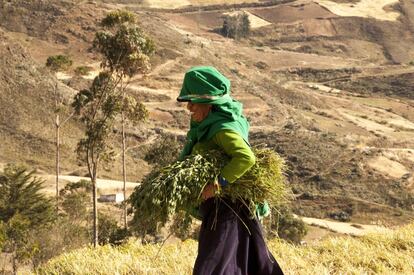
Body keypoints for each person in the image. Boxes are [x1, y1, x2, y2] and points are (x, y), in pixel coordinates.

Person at [177, 66, 284, 275]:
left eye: (193, 102)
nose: (189, 107)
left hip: (228, 208)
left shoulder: (223, 128)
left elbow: (245, 158)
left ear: (209, 103)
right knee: (249, 260)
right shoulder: (210, 124)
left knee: (212, 265)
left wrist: (216, 185)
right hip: (228, 208)